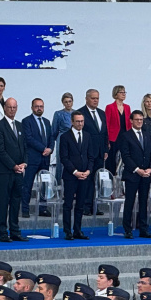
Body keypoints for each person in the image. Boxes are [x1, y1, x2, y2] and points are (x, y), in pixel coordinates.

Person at [0, 98, 28, 242]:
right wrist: (13, 165)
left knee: (16, 202)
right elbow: (0, 151)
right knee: (4, 202)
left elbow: (24, 147)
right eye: (9, 107)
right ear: (4, 108)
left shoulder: (19, 126)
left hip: (19, 171)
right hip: (5, 171)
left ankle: (15, 230)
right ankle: (2, 232)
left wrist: (24, 163)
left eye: (14, 107)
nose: (12, 110)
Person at [59, 111, 95, 240]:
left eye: (82, 121)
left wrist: (88, 171)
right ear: (72, 122)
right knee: (68, 204)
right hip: (70, 176)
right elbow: (64, 157)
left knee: (80, 204)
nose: (80, 124)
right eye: (78, 121)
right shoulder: (65, 137)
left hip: (85, 175)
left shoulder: (87, 136)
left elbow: (91, 156)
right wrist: (75, 172)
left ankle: (77, 230)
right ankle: (67, 231)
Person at [119, 110, 151, 239]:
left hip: (146, 174)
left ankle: (144, 229)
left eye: (141, 119)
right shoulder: (126, 136)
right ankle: (127, 229)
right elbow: (126, 156)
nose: (139, 121)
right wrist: (136, 169)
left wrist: (150, 169)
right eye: (137, 119)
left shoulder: (147, 135)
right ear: (131, 121)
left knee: (144, 202)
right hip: (132, 174)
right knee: (130, 201)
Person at [21, 97, 55, 218]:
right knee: (28, 184)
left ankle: (43, 208)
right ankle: (25, 209)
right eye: (37, 106)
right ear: (32, 108)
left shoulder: (47, 121)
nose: (39, 108)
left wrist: (50, 149)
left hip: (45, 159)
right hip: (33, 158)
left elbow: (51, 137)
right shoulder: (26, 121)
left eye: (41, 106)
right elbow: (29, 139)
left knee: (44, 184)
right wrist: (43, 149)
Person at [79, 89, 108, 216]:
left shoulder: (102, 113)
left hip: (100, 153)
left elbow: (104, 132)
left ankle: (95, 205)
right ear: (86, 99)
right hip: (87, 153)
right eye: (93, 98)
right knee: (87, 179)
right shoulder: (81, 113)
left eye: (97, 98)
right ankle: (85, 205)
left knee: (97, 180)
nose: (95, 100)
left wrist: (106, 149)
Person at [105, 85, 131, 175]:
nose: (124, 94)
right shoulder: (110, 107)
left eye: (125, 92)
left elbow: (129, 123)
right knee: (112, 160)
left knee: (125, 159)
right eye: (121, 92)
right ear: (116, 94)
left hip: (125, 136)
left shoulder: (127, 107)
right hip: (114, 137)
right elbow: (107, 124)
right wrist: (107, 140)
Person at [51, 93, 74, 180]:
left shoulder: (76, 113)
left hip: (73, 139)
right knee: (61, 161)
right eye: (66, 102)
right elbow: (54, 130)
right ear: (63, 103)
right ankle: (59, 184)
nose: (68, 103)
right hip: (62, 138)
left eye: (69, 101)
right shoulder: (58, 114)